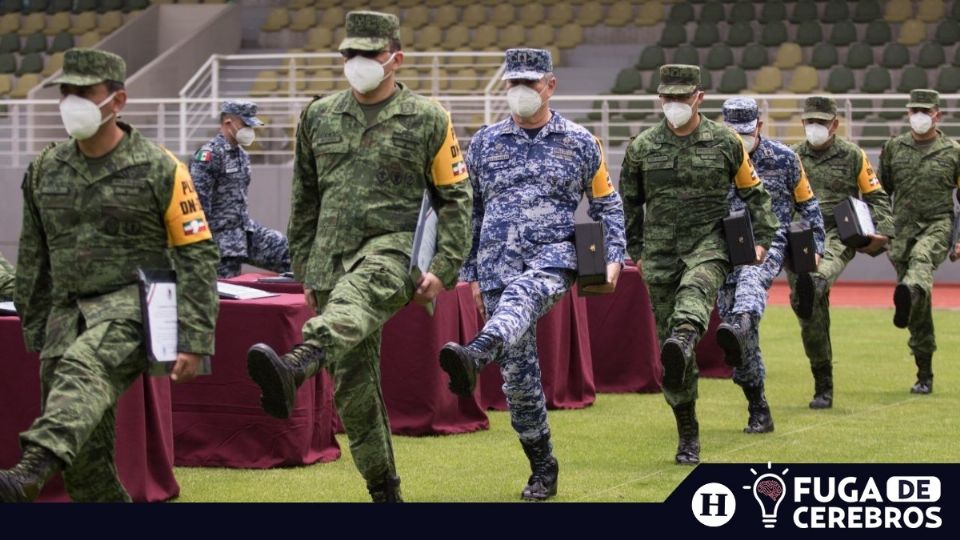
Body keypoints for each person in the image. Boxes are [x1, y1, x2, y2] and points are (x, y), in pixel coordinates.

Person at [244, 11, 472, 503]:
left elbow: (456, 198)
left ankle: (298, 362)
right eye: (351, 54)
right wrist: (304, 266)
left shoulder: (428, 118)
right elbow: (304, 199)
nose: (359, 62)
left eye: (370, 54)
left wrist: (443, 268)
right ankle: (384, 492)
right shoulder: (318, 116)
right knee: (353, 385)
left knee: (359, 292)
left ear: (396, 58)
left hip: (393, 253)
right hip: (329, 259)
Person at [1, 48, 219, 502]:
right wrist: (35, 325)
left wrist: (196, 340)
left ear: (117, 101)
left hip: (132, 309)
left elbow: (197, 254)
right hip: (65, 317)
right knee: (86, 466)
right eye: (67, 92)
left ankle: (32, 467)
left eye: (85, 93)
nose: (72, 102)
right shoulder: (45, 168)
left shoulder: (160, 167)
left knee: (87, 367)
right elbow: (33, 254)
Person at [437, 48, 625, 501]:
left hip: (554, 257)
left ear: (550, 86)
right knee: (518, 380)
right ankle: (543, 465)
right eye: (513, 83)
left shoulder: (581, 142)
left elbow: (606, 205)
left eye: (529, 83)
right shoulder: (484, 143)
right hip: (496, 262)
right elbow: (472, 212)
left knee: (524, 295)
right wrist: (473, 275)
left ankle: (477, 351)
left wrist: (614, 257)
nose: (520, 91)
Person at [619, 64, 779, 465]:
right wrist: (635, 248)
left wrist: (761, 241)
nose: (674, 105)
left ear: (699, 98)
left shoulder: (726, 142)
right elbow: (629, 204)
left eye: (681, 97)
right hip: (658, 256)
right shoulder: (642, 147)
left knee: (697, 290)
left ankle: (688, 334)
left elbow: (755, 194)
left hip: (710, 244)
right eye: (667, 98)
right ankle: (687, 430)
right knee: (671, 357)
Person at [715, 97, 826, 434]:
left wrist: (816, 247)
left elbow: (809, 206)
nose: (741, 140)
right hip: (722, 247)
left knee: (752, 277)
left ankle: (744, 321)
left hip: (768, 241)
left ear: (759, 127)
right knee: (734, 328)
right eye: (733, 134)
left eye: (746, 133)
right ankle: (757, 405)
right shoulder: (713, 160)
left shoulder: (785, 159)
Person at [789, 96, 894, 409]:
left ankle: (815, 283)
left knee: (822, 272)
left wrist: (883, 231)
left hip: (839, 231)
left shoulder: (852, 155)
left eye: (821, 122)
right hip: (800, 235)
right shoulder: (791, 156)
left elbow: (876, 196)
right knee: (809, 314)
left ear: (835, 124)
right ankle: (822, 383)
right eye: (810, 121)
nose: (815, 127)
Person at [879, 89, 960, 395]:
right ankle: (924, 372)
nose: (919, 117)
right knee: (919, 306)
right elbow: (880, 193)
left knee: (922, 261)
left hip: (937, 225)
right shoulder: (894, 148)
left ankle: (909, 291)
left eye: (925, 111)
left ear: (937, 115)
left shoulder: (953, 151)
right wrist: (882, 229)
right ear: (908, 113)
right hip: (901, 231)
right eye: (914, 111)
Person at [190, 99, 291, 278]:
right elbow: (197, 206)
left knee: (289, 252)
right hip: (218, 240)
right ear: (229, 123)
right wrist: (201, 248)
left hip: (244, 231)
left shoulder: (241, 155)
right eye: (246, 125)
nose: (250, 131)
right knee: (226, 295)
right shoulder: (208, 155)